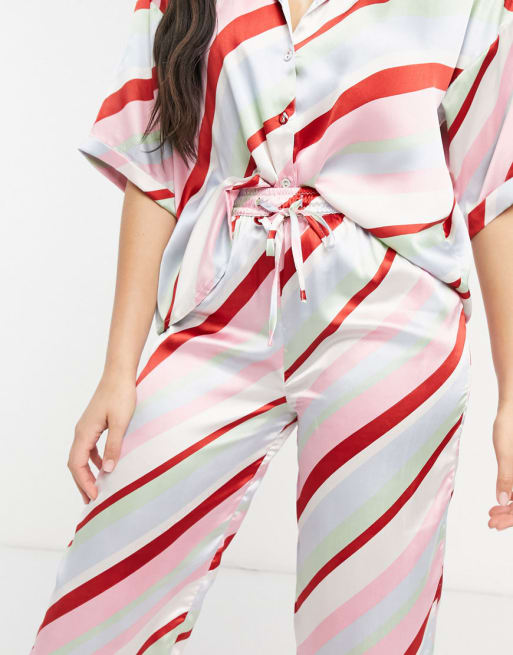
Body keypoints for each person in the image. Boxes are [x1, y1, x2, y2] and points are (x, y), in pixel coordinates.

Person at [30, 0, 513, 653]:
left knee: (364, 632)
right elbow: (156, 157)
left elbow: (494, 190)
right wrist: (118, 370)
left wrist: (512, 395)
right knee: (95, 608)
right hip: (223, 307)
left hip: (390, 322)